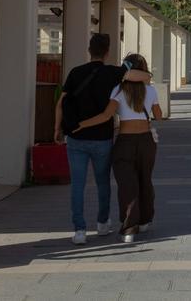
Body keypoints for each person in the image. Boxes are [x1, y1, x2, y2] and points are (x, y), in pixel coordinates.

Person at [55, 33, 150, 246]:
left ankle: (79, 230)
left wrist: (57, 129)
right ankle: (103, 223)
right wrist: (126, 69)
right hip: (102, 139)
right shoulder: (114, 73)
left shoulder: (76, 72)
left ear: (89, 50)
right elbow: (145, 78)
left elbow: (61, 103)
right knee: (102, 183)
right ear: (107, 52)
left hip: (75, 138)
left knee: (77, 185)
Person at [72, 53, 163, 243]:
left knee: (127, 185)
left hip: (125, 142)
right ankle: (145, 220)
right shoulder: (151, 91)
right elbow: (159, 116)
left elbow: (106, 116)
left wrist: (81, 124)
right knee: (145, 179)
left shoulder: (118, 90)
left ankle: (129, 228)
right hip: (146, 142)